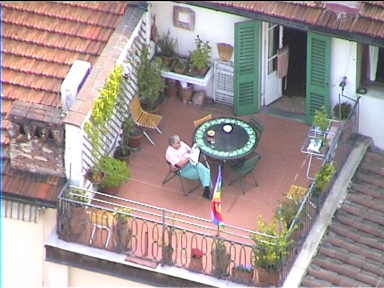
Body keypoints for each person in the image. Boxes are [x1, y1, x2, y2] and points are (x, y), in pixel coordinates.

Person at [165, 135, 211, 199]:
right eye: (178, 143)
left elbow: (190, 150)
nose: (180, 143)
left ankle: (207, 190)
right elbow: (178, 165)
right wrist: (188, 158)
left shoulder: (182, 144)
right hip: (182, 169)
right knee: (203, 172)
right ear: (172, 144)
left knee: (202, 169)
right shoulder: (170, 153)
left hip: (191, 162)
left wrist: (193, 151)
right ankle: (208, 188)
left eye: (179, 141)